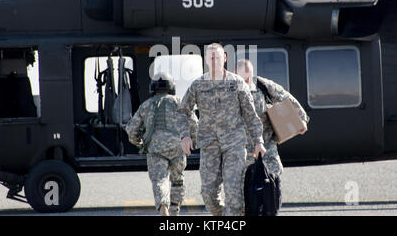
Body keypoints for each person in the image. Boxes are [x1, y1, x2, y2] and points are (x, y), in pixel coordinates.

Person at [178, 43, 266, 216]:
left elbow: (250, 115)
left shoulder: (237, 83)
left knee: (234, 194)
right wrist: (185, 136)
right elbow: (182, 112)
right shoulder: (198, 85)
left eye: (217, 57)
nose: (214, 60)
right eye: (211, 57)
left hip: (234, 144)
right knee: (208, 195)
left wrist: (258, 141)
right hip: (209, 145)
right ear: (206, 60)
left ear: (224, 59)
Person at [236, 59, 309, 213]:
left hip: (266, 145)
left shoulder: (262, 85)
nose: (246, 81)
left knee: (272, 188)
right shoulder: (230, 90)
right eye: (242, 77)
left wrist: (301, 118)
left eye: (247, 76)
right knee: (243, 196)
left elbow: (285, 97)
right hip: (241, 149)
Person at [125, 72, 195, 216]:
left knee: (160, 180)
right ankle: (175, 211)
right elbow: (195, 123)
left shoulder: (146, 105)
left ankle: (163, 206)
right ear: (171, 86)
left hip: (156, 150)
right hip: (178, 148)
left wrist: (139, 143)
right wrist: (191, 141)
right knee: (178, 181)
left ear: (153, 87)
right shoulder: (179, 102)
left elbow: (132, 130)